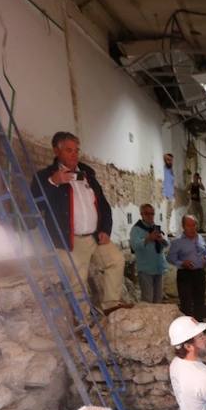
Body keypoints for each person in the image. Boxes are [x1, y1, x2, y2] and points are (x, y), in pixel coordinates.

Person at [31, 132, 131, 315]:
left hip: (94, 236)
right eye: (69, 150)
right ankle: (83, 320)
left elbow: (104, 206)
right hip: (69, 241)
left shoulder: (88, 175)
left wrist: (105, 230)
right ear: (56, 151)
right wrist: (54, 182)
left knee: (116, 260)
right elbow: (35, 203)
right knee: (77, 280)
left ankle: (110, 305)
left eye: (76, 150)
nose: (74, 154)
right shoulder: (45, 176)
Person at [166, 215, 206, 321]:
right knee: (186, 302)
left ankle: (200, 327)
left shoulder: (200, 238)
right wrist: (182, 263)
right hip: (185, 274)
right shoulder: (177, 241)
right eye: (189, 225)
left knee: (199, 301)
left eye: (194, 225)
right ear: (183, 226)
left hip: (199, 273)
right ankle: (187, 330)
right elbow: (170, 258)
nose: (192, 228)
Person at [129, 203, 168, 303]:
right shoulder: (136, 229)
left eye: (152, 213)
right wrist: (148, 238)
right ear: (142, 214)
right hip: (146, 268)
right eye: (147, 214)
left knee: (158, 297)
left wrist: (161, 239)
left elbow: (167, 244)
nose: (150, 216)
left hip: (158, 267)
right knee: (148, 298)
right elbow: (134, 246)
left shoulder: (156, 228)